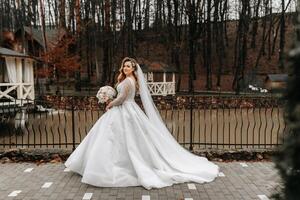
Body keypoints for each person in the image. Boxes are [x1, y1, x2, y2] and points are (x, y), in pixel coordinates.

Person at [65, 57, 219, 189]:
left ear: (133, 69)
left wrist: (110, 103)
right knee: (123, 138)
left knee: (118, 139)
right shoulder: (131, 80)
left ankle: (109, 167)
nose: (125, 68)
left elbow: (122, 99)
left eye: (128, 66)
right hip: (130, 109)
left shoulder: (127, 82)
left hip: (125, 109)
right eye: (124, 66)